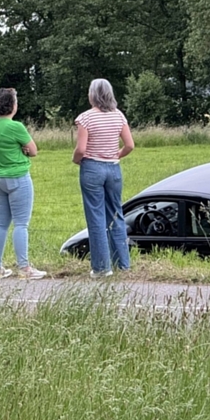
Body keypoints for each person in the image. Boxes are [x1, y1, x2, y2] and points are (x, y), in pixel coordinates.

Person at [72, 79, 135, 278]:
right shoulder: (118, 116)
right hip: (113, 169)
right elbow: (130, 145)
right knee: (116, 214)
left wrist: (76, 160)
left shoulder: (85, 118)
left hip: (92, 167)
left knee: (96, 217)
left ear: (92, 95)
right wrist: (117, 154)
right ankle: (123, 264)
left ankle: (101, 267)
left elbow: (81, 149)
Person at [0, 88, 47, 280]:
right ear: (12, 105)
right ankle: (24, 268)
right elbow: (33, 150)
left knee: (1, 223)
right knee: (21, 223)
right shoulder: (16, 127)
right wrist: (23, 151)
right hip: (17, 177)